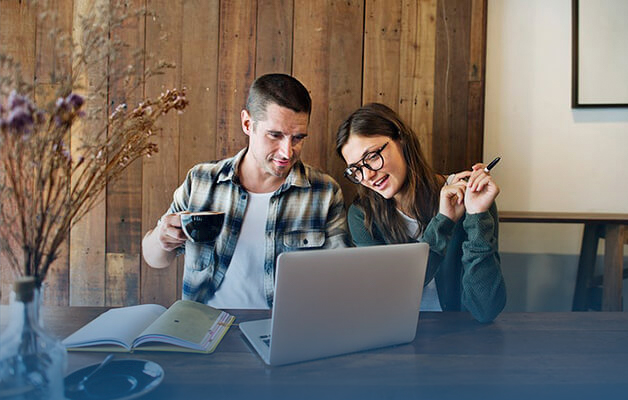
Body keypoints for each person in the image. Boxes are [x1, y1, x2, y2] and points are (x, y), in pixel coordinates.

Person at [142, 73, 349, 308]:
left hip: (287, 330)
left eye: (298, 138)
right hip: (203, 327)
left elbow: (340, 278)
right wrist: (162, 238)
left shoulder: (324, 192)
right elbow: (155, 259)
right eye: (275, 135)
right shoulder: (202, 181)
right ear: (248, 124)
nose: (287, 152)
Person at [335, 103, 506, 322]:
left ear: (402, 141)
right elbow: (390, 297)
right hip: (392, 336)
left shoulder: (470, 197)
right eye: (355, 169)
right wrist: (444, 222)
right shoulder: (363, 214)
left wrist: (477, 215)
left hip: (459, 339)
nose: (366, 176)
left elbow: (486, 309)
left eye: (371, 157)